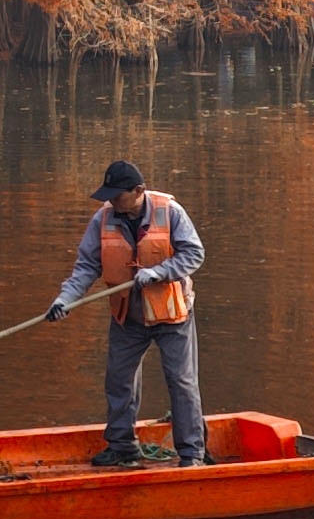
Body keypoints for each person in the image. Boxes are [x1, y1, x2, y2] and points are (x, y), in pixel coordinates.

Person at [45, 159, 206, 467]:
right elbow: (87, 266)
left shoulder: (170, 212)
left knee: (181, 381)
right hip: (127, 315)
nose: (112, 201)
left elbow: (194, 253)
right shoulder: (103, 219)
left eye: (118, 195)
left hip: (171, 314)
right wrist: (64, 299)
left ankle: (191, 454)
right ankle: (122, 446)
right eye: (109, 195)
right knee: (119, 380)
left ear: (138, 191)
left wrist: (159, 272)